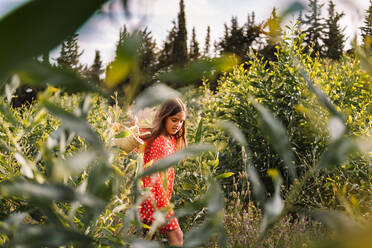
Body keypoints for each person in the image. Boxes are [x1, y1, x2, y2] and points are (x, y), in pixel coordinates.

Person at [134, 98, 187, 247]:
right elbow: (153, 176)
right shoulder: (158, 140)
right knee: (177, 236)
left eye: (181, 121)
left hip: (157, 199)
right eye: (174, 120)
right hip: (155, 200)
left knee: (147, 241)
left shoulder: (169, 139)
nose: (178, 125)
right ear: (164, 117)